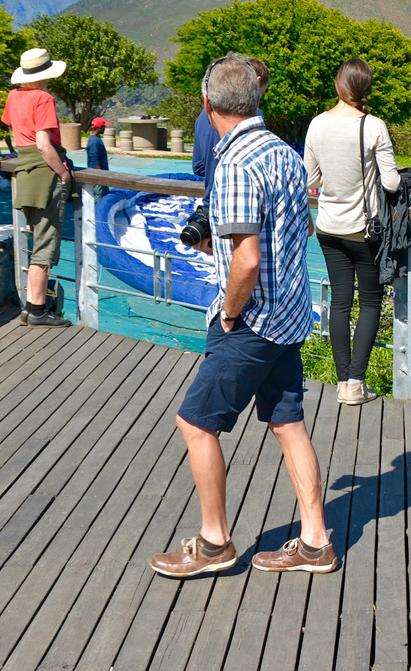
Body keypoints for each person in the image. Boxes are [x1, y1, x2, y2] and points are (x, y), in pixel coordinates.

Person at [151, 56, 338, 579]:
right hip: (290, 313)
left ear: (208, 105)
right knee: (288, 423)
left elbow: (249, 260)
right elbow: (290, 234)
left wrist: (230, 313)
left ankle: (214, 543)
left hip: (252, 321)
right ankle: (315, 542)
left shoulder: (233, 163)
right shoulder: (284, 153)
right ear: (256, 98)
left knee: (194, 423)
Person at [303, 59, 401, 406]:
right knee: (371, 302)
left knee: (340, 304)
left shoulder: (317, 125)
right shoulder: (373, 126)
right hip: (363, 231)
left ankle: (343, 381)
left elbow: (311, 181)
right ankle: (356, 384)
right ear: (366, 89)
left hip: (329, 227)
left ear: (338, 85)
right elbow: (390, 182)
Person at [2, 48, 72, 327]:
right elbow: (43, 144)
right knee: (45, 244)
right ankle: (40, 311)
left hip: (24, 172)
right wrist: (63, 172)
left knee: (36, 239)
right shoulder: (43, 98)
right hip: (45, 174)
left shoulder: (14, 95)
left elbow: (15, 128)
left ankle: (30, 307)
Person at [193, 54, 270, 197]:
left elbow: (198, 166)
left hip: (211, 200)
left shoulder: (202, 116)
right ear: (256, 85)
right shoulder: (255, 116)